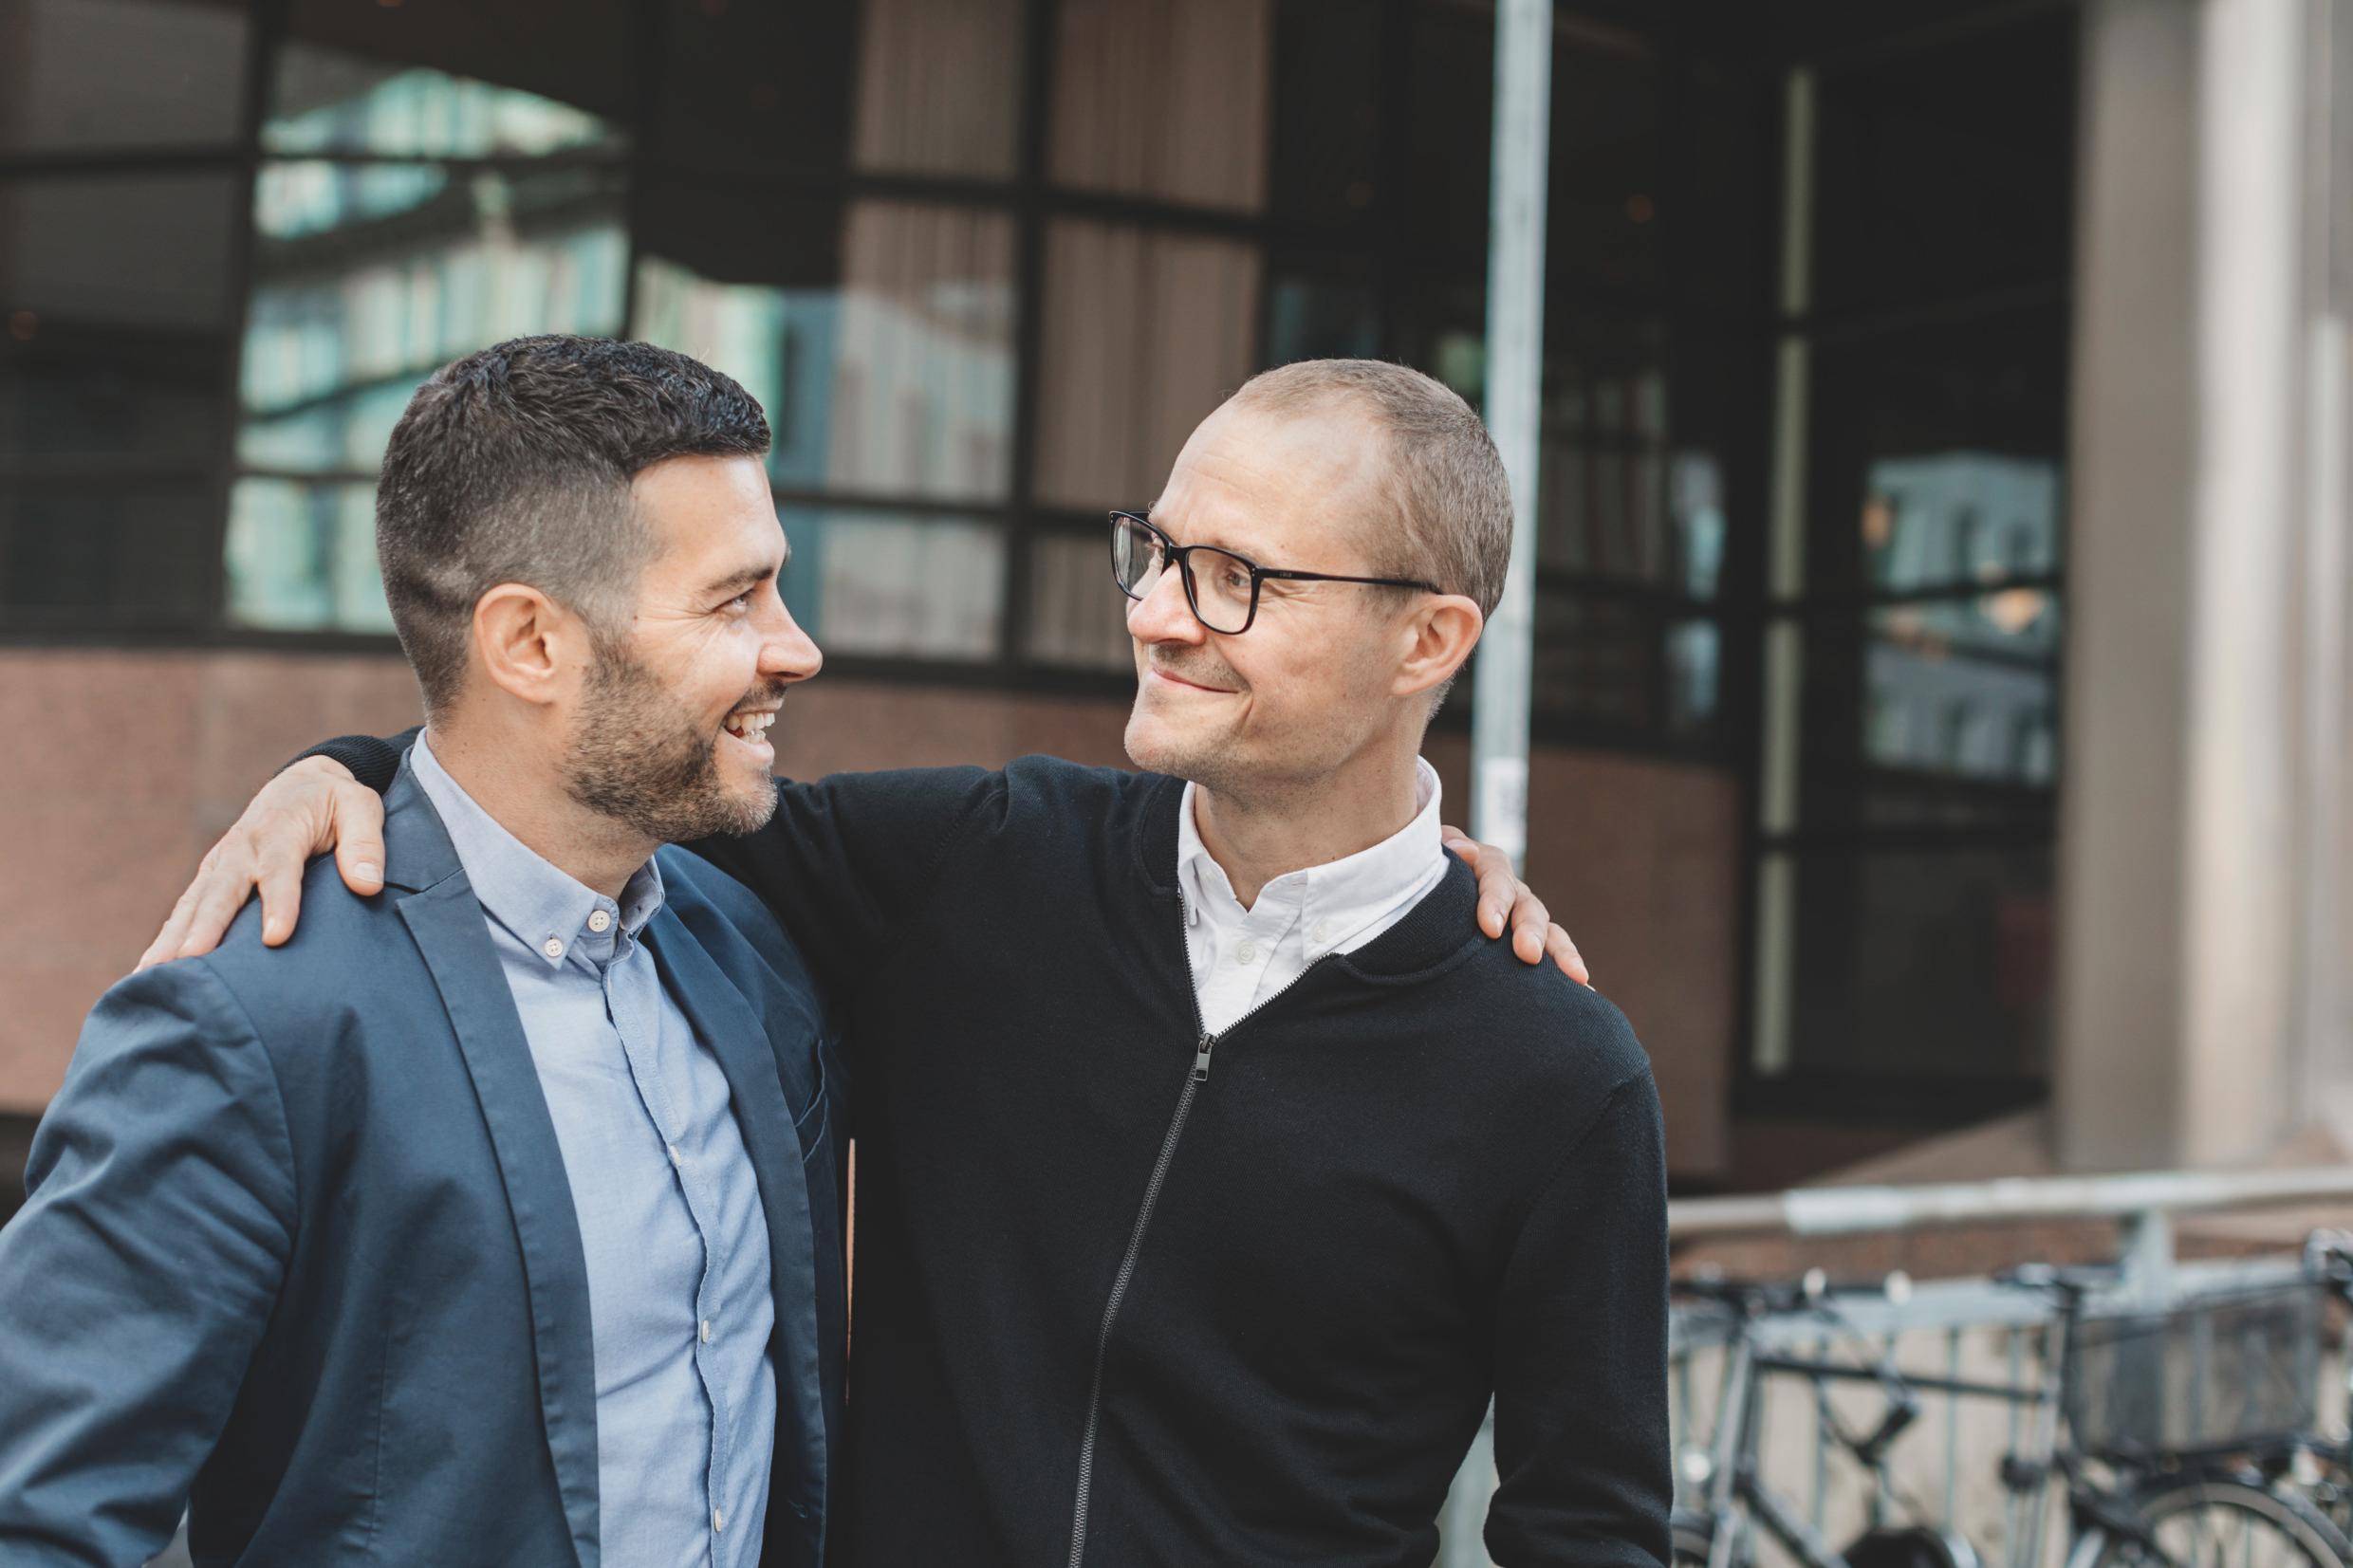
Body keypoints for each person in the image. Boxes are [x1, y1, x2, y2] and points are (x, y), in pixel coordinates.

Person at [160, 357, 1669, 1567]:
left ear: (1430, 642)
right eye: (1155, 552)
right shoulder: (979, 863)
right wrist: (342, 768)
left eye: (1237, 579)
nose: (1156, 614)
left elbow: (1587, 1528)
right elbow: (579, 775)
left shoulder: (1553, 1070)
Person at [0, 339, 847, 1565]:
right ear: (531, 645)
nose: (795, 645)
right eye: (736, 598)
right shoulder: (251, 1026)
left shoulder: (742, 949)